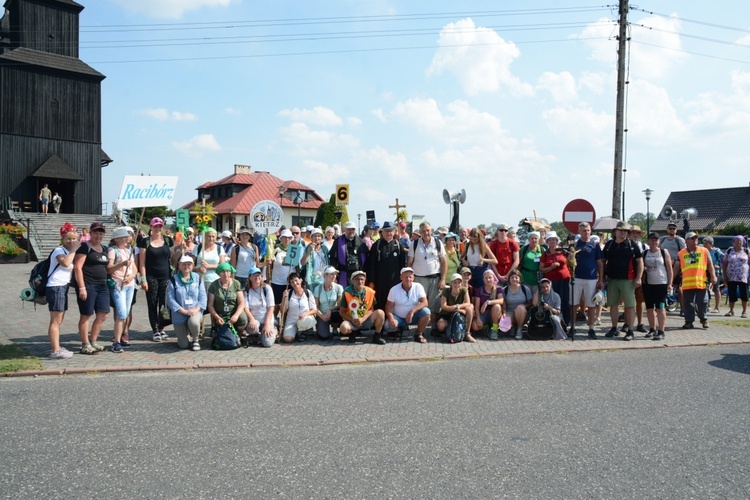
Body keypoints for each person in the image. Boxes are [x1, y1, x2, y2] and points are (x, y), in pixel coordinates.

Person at [602, 221, 643, 340]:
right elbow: (603, 261)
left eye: (625, 231)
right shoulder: (609, 245)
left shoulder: (631, 244)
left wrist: (638, 278)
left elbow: (640, 261)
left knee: (630, 305)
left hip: (628, 280)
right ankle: (614, 328)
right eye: (621, 230)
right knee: (613, 305)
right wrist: (603, 277)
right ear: (615, 231)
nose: (623, 233)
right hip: (612, 279)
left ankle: (630, 330)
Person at [73, 221, 110, 354]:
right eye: (96, 233)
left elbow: (108, 268)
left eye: (101, 233)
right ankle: (85, 344)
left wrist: (123, 264)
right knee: (86, 314)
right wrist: (82, 287)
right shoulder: (84, 247)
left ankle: (93, 340)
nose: (98, 236)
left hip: (103, 285)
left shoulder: (104, 248)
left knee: (103, 314)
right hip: (88, 285)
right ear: (90, 233)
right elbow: (77, 267)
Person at [138, 217, 175, 342]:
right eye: (155, 226)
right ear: (151, 227)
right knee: (152, 304)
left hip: (166, 276)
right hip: (151, 277)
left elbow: (173, 258)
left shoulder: (168, 240)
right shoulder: (145, 241)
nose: (158, 228)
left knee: (164, 304)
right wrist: (143, 279)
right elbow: (141, 262)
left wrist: (181, 250)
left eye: (160, 226)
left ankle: (161, 327)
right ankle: (154, 330)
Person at [46, 223, 79, 359]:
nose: (71, 241)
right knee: (56, 320)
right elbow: (65, 263)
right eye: (68, 239)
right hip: (55, 286)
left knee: (59, 319)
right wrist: (73, 250)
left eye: (73, 238)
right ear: (62, 239)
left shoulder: (69, 251)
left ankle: (57, 346)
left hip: (63, 286)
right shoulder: (59, 250)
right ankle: (55, 350)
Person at [406, 221, 446, 332]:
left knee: (434, 304)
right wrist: (409, 279)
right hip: (419, 279)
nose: (426, 233)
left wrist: (443, 279)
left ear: (431, 230)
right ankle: (419, 327)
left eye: (428, 230)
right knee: (418, 303)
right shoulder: (414, 244)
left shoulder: (438, 243)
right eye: (423, 231)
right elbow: (409, 262)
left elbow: (444, 262)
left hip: (434, 278)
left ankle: (433, 327)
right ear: (420, 232)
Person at [570, 222, 604, 339]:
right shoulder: (575, 244)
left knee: (591, 305)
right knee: (574, 304)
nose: (586, 232)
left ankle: (591, 328)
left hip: (591, 279)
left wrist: (600, 279)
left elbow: (600, 262)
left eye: (588, 230)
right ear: (579, 232)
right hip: (577, 278)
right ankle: (572, 327)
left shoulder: (595, 245)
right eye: (584, 230)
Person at [167, 255, 207, 351]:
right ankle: (185, 334)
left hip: (195, 311)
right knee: (183, 345)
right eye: (184, 264)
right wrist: (183, 311)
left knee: (193, 322)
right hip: (179, 313)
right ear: (179, 266)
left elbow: (203, 297)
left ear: (192, 266)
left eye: (189, 264)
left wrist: (196, 309)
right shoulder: (173, 280)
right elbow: (170, 299)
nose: (186, 267)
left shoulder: (198, 278)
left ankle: (195, 339)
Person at [107, 226, 137, 353]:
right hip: (118, 285)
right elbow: (109, 268)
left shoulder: (129, 250)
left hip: (130, 285)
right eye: (125, 237)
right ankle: (116, 342)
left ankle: (121, 338)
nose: (127, 239)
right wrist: (122, 264)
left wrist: (131, 276)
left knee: (125, 313)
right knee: (121, 313)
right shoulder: (113, 251)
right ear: (117, 239)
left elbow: (135, 268)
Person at [365, 221, 407, 312]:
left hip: (395, 283)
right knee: (380, 304)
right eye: (386, 231)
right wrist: (371, 281)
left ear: (394, 232)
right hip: (380, 283)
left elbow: (402, 266)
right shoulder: (376, 246)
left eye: (390, 231)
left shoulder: (399, 246)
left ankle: (395, 323)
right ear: (382, 232)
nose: (388, 233)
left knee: (395, 304)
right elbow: (371, 265)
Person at [339, 270, 386, 344]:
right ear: (352, 281)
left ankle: (377, 336)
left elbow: (372, 309)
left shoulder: (370, 292)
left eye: (362, 279)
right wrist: (352, 320)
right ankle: (352, 333)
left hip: (365, 319)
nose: (359, 281)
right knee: (343, 328)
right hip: (351, 321)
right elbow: (342, 312)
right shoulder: (346, 292)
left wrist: (363, 319)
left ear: (365, 281)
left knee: (380, 313)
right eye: (357, 279)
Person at [384, 267, 431, 343]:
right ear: (401, 277)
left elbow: (425, 302)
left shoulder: (418, 287)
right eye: (406, 277)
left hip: (414, 317)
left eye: (410, 277)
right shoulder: (394, 289)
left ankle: (419, 333)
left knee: (426, 312)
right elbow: (388, 307)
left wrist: (412, 311)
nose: (408, 279)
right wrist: (391, 318)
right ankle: (399, 329)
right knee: (387, 326)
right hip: (399, 318)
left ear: (413, 278)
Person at [642, 232, 673, 340]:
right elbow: (641, 267)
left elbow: (669, 269)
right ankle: (652, 329)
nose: (654, 242)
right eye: (652, 240)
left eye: (656, 240)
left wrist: (670, 283)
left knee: (660, 307)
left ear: (659, 241)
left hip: (661, 283)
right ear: (648, 241)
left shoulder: (664, 252)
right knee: (650, 308)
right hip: (648, 284)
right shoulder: (645, 253)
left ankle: (661, 330)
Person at [538, 231, 571, 327]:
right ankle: (552, 323)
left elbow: (570, 262)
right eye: (550, 240)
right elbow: (541, 268)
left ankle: (566, 323)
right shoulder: (545, 254)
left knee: (564, 301)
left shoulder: (564, 251)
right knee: (552, 301)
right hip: (551, 282)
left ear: (557, 240)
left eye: (554, 240)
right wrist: (551, 267)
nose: (552, 241)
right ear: (547, 241)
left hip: (564, 280)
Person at [207, 262, 248, 338]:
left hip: (233, 311)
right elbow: (210, 305)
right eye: (223, 272)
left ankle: (237, 335)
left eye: (227, 271)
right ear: (219, 273)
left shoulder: (236, 283)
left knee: (243, 319)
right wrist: (217, 317)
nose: (225, 274)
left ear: (230, 273)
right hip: (220, 313)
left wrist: (236, 315)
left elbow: (242, 302)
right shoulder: (214, 285)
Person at [434, 273, 475, 342]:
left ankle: (467, 333)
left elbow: (468, 303)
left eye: (459, 283)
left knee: (470, 308)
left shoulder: (464, 290)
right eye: (455, 282)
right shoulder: (446, 291)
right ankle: (450, 332)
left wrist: (457, 306)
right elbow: (444, 306)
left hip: (458, 314)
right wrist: (457, 310)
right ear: (451, 283)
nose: (457, 285)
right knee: (441, 325)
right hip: (447, 314)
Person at [243, 266, 277, 347]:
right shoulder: (246, 291)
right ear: (250, 277)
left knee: (267, 344)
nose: (257, 277)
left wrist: (266, 325)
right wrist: (251, 320)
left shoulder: (267, 288)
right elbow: (246, 308)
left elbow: (271, 308)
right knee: (252, 329)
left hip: (267, 319)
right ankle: (259, 333)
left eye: (259, 275)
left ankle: (274, 330)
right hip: (255, 320)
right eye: (254, 275)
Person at [280, 272, 317, 343]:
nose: (295, 283)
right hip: (291, 320)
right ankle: (295, 332)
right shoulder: (288, 294)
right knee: (288, 339)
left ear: (300, 280)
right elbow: (283, 311)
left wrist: (305, 314)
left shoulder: (308, 293)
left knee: (304, 320)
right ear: (290, 284)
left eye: (296, 280)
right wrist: (283, 298)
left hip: (304, 318)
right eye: (292, 282)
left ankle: (305, 331)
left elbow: (314, 310)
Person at [660, 222, 687, 313]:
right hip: (664, 266)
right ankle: (660, 307)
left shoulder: (679, 240)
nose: (672, 230)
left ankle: (683, 308)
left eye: (673, 228)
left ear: (676, 230)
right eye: (670, 228)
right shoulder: (662, 239)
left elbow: (684, 252)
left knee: (679, 288)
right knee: (662, 287)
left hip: (676, 266)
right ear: (667, 229)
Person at [329, 221, 364, 286]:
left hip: (358, 274)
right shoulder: (338, 242)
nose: (351, 231)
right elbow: (333, 260)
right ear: (344, 229)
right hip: (343, 274)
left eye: (353, 229)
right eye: (349, 229)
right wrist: (334, 276)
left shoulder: (361, 242)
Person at [721, 235, 748, 318]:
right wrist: (725, 275)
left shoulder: (747, 251)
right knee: (732, 293)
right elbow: (725, 263)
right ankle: (731, 310)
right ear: (733, 242)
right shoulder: (729, 251)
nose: (739, 242)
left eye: (740, 241)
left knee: (744, 294)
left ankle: (744, 311)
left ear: (743, 242)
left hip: (743, 276)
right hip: (731, 276)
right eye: (737, 241)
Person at [472, 269, 503, 339]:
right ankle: (486, 327)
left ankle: (495, 330)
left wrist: (487, 302)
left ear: (494, 278)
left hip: (494, 313)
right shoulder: (479, 290)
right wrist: (478, 319)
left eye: (490, 277)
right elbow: (476, 307)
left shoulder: (498, 289)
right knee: (475, 326)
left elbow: (501, 300)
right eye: (486, 278)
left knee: (497, 306)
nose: (488, 279)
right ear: (483, 279)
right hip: (483, 313)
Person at [314, 266, 343, 340]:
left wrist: (330, 310)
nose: (334, 276)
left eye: (335, 274)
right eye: (331, 274)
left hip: (333, 312)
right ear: (325, 275)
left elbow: (339, 305)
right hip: (322, 314)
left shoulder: (339, 287)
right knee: (324, 336)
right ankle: (321, 326)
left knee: (336, 314)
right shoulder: (318, 288)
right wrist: (322, 317)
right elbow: (316, 307)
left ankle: (335, 329)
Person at [503, 270, 533, 340]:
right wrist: (504, 312)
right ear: (509, 279)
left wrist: (524, 306)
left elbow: (530, 304)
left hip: (522, 314)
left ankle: (519, 329)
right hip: (510, 313)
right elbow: (504, 305)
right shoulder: (505, 290)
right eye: (512, 277)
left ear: (519, 279)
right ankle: (513, 326)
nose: (514, 279)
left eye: (516, 277)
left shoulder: (525, 289)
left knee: (520, 308)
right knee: (506, 316)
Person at [702, 236, 724, 313]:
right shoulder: (703, 251)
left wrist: (719, 266)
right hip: (705, 272)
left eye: (706, 243)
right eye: (704, 243)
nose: (704, 244)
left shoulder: (716, 251)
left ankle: (717, 307)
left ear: (711, 243)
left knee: (716, 289)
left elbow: (724, 258)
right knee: (705, 288)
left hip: (716, 272)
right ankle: (707, 305)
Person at [519, 231, 543, 296]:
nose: (534, 240)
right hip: (525, 278)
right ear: (529, 239)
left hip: (537, 279)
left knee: (536, 299)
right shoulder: (523, 249)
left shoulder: (542, 250)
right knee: (526, 297)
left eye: (536, 238)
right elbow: (519, 262)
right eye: (532, 238)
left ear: (538, 239)